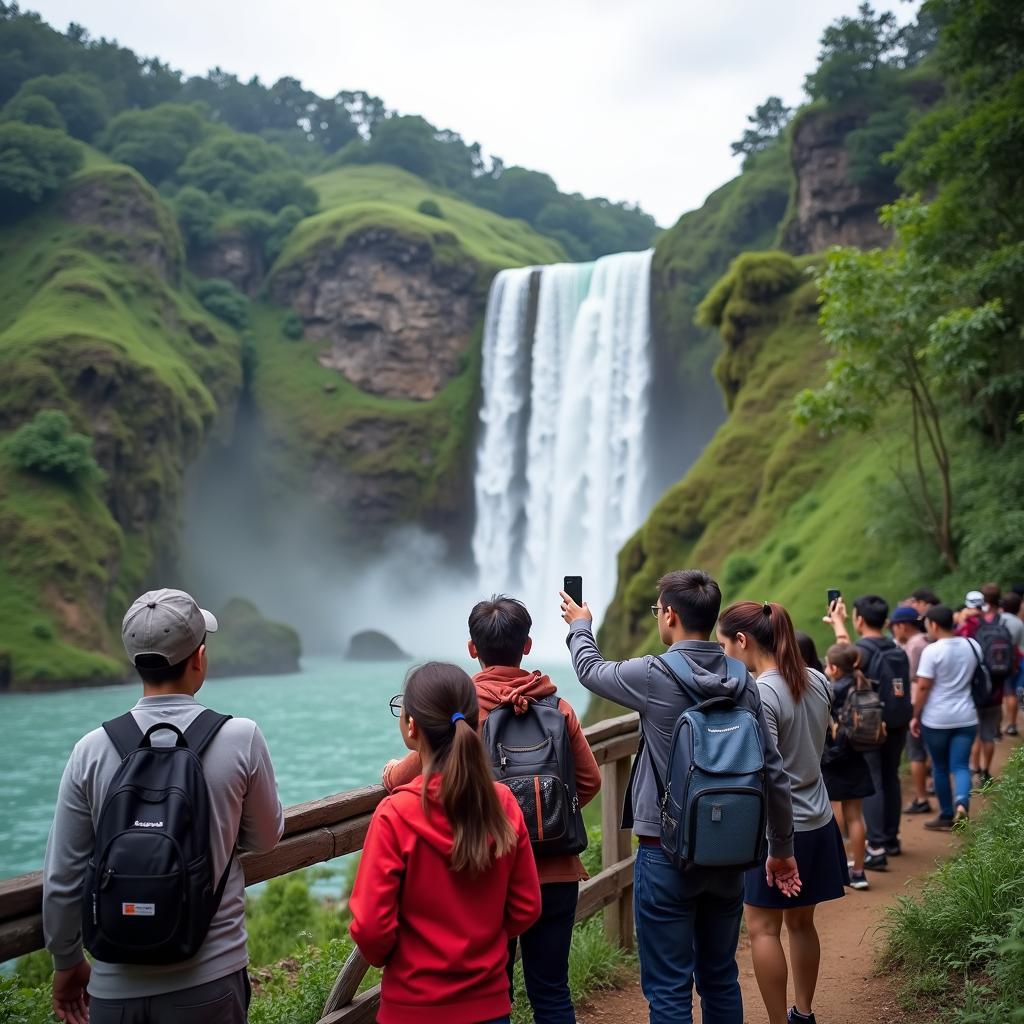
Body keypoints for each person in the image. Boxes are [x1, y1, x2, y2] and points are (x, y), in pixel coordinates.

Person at [561, 569, 798, 1024]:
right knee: (719, 976)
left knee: (670, 986)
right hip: (730, 850)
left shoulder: (653, 674)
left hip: (664, 850)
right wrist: (782, 849)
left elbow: (590, 670)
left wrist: (579, 624)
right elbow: (773, 771)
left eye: (657, 611)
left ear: (669, 615)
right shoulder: (742, 679)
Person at [42, 589, 285, 1024]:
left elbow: (63, 877)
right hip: (211, 980)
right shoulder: (240, 737)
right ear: (199, 658)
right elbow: (266, 840)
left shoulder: (91, 750)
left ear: (136, 661)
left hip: (114, 990)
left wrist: (65, 961)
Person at [381, 596, 600, 1023]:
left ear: (472, 649)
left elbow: (407, 778)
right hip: (555, 872)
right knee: (552, 991)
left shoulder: (461, 710)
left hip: (486, 871)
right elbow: (589, 781)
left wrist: (391, 772)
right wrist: (549, 820)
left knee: (492, 994)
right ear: (528, 645)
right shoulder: (558, 707)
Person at [350, 662, 541, 1024]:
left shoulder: (394, 814)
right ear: (473, 722)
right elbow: (526, 907)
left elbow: (371, 929)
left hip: (412, 1008)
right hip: (489, 1005)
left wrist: (404, 957)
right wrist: (483, 941)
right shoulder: (501, 803)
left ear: (411, 726)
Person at [718, 602, 847, 1024]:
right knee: (802, 924)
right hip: (819, 819)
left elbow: (769, 775)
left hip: (778, 829)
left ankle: (777, 1021)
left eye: (724, 645)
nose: (724, 655)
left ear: (743, 641)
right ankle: (804, 1013)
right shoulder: (816, 679)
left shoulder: (759, 692)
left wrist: (776, 845)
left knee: (762, 928)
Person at [825, 594, 911, 870]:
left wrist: (838, 624)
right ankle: (891, 838)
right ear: (885, 620)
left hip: (868, 727)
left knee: (874, 781)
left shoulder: (863, 649)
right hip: (895, 722)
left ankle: (876, 846)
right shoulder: (895, 647)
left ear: (859, 620)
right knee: (891, 777)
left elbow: (846, 657)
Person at [911, 605, 981, 829]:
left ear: (933, 624)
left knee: (940, 768)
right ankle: (962, 803)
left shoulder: (932, 651)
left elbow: (923, 687)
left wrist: (915, 715)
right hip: (967, 715)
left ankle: (946, 815)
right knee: (960, 765)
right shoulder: (972, 644)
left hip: (937, 718)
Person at [820, 643, 875, 891]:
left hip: (833, 758)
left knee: (834, 814)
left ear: (833, 668)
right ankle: (859, 872)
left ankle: (837, 868)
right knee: (855, 817)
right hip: (857, 757)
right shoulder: (864, 684)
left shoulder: (831, 690)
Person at [890, 605, 933, 814]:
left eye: (895, 627)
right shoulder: (926, 640)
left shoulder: (913, 647)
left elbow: (907, 677)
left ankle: (921, 797)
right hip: (931, 701)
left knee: (916, 752)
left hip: (915, 700)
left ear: (903, 626)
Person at [1000, 591, 1024, 737]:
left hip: (997, 660)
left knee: (1002, 693)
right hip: (1016, 661)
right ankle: (1012, 724)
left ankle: (995, 727)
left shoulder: (997, 619)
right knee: (1013, 693)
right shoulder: (1019, 623)